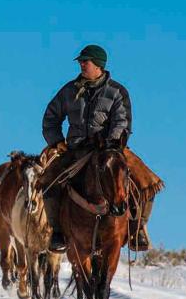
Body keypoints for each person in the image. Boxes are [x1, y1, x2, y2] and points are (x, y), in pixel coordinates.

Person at [38, 44, 160, 253]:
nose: (82, 65)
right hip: (76, 150)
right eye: (81, 61)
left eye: (86, 61)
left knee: (148, 181)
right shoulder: (69, 91)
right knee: (48, 181)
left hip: (111, 150)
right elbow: (50, 118)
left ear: (99, 65)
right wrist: (57, 142)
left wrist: (110, 144)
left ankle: (136, 228)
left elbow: (122, 122)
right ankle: (58, 232)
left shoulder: (117, 91)